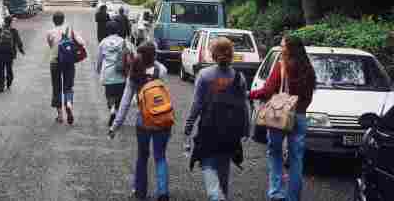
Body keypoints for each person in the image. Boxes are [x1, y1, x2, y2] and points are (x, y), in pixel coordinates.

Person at [249, 35, 316, 201]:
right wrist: (299, 109)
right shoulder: (308, 69)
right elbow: (308, 96)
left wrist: (250, 94)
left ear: (290, 48)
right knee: (296, 159)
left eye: (282, 45)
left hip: (279, 116)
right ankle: (293, 197)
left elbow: (267, 91)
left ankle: (276, 193)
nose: (280, 48)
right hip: (299, 116)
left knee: (275, 154)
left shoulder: (282, 66)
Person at [184, 37, 250, 201]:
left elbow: (197, 104)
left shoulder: (205, 75)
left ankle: (216, 197)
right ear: (231, 55)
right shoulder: (239, 78)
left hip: (209, 130)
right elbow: (244, 106)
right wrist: (246, 129)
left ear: (213, 54)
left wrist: (188, 126)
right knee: (223, 172)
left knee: (209, 169)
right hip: (230, 133)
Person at [108, 42, 171, 201]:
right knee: (160, 157)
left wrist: (115, 125)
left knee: (142, 157)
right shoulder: (161, 71)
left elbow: (125, 102)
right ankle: (163, 192)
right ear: (154, 56)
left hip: (144, 120)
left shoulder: (135, 72)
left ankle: (140, 192)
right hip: (162, 118)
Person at [46, 11, 86, 124]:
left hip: (55, 62)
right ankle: (68, 104)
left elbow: (50, 46)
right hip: (68, 62)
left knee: (56, 87)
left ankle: (60, 115)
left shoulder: (50, 32)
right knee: (68, 87)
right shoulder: (70, 30)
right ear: (63, 20)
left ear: (53, 21)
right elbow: (82, 42)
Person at [96, 20, 133, 127]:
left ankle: (112, 109)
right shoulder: (123, 42)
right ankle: (116, 110)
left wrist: (98, 70)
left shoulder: (103, 42)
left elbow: (99, 59)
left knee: (109, 95)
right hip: (121, 73)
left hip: (108, 73)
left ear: (107, 30)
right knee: (119, 96)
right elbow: (131, 56)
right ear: (117, 30)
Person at [0, 16, 25, 93]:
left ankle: (1, 86)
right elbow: (18, 41)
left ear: (4, 21)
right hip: (10, 54)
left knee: (1, 70)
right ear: (11, 22)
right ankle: (9, 82)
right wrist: (21, 50)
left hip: (0, 53)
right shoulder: (14, 31)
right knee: (9, 69)